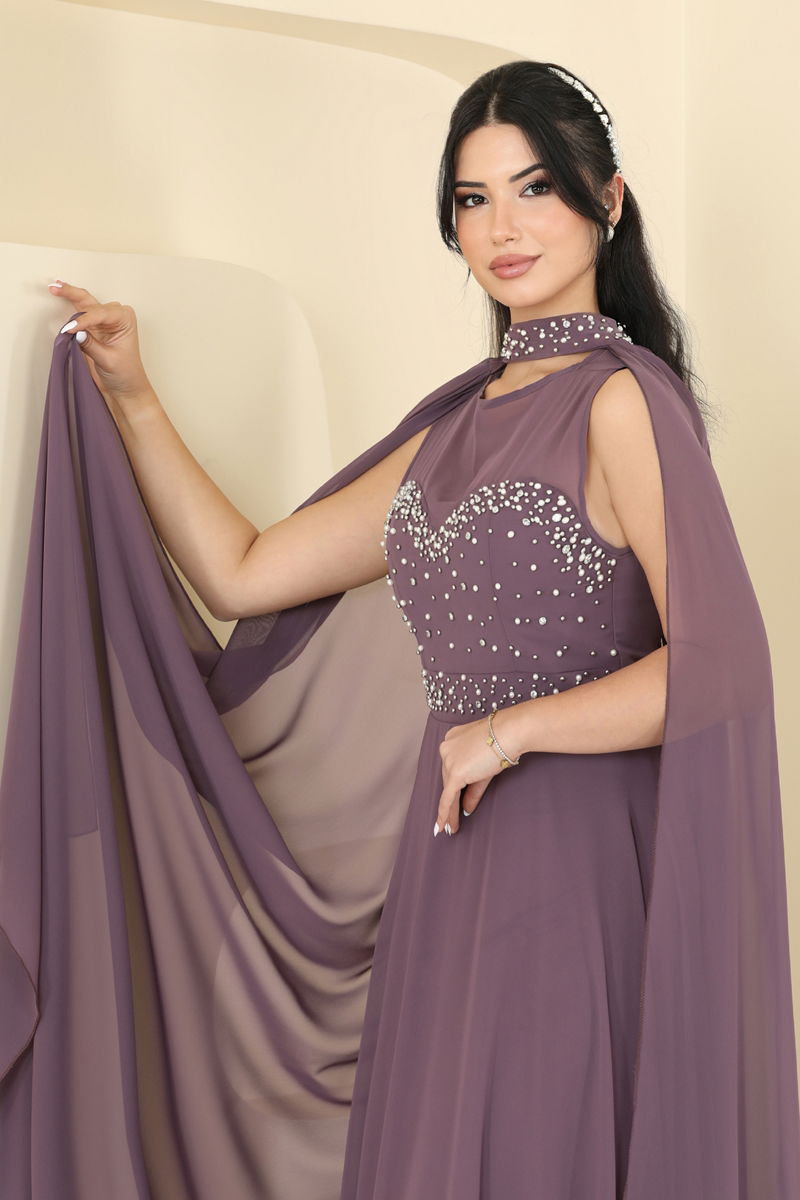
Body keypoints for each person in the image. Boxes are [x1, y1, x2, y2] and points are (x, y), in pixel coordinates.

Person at [4, 59, 798, 1199]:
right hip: (450, 871)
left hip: (575, 871)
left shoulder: (623, 403)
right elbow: (244, 572)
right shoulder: (453, 429)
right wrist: (132, 396)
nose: (503, 228)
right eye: (474, 200)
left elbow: (721, 669)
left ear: (608, 199)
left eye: (535, 188)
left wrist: (508, 732)